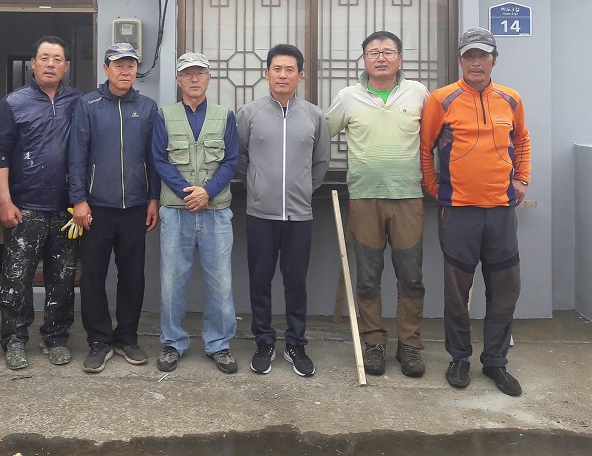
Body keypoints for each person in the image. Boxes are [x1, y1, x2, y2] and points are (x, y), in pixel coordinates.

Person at [420, 27, 531, 397]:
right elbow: (425, 148)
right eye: (469, 56)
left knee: (505, 290)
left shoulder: (511, 99)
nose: (476, 62)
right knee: (457, 291)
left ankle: (496, 362)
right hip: (459, 213)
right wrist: (435, 189)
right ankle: (459, 357)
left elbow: (522, 140)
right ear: (461, 61)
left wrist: (523, 179)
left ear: (494, 60)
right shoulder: (443, 99)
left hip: (500, 212)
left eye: (483, 55)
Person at [325, 31, 430, 378]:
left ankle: (410, 345)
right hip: (364, 197)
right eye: (373, 52)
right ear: (364, 59)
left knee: (410, 276)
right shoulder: (347, 97)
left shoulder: (418, 93)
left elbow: (435, 138)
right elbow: (320, 134)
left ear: (400, 58)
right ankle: (373, 342)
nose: (381, 58)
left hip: (408, 198)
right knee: (368, 277)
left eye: (388, 52)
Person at [236, 44, 330, 378]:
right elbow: (240, 158)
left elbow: (320, 164)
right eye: (277, 69)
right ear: (267, 73)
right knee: (259, 281)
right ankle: (263, 341)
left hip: (300, 216)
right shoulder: (249, 113)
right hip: (260, 214)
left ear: (300, 76)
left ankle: (295, 344)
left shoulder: (314, 116)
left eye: (290, 69)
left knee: (295, 282)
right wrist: (260, 187)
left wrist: (303, 190)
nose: (283, 75)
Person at [0, 36, 82, 370]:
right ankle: (14, 339)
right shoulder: (13, 103)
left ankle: (55, 337)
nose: (51, 64)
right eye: (45, 57)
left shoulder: (78, 102)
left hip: (67, 209)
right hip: (24, 206)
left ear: (66, 66)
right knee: (18, 278)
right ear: (33, 62)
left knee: (63, 277)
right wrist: (4, 201)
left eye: (58, 59)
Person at [68, 42, 160, 373]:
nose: (125, 71)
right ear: (106, 69)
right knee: (93, 276)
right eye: (119, 65)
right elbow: (77, 155)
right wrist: (79, 199)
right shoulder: (88, 105)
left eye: (131, 65)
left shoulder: (148, 108)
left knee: (132, 276)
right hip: (95, 209)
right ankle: (99, 340)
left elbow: (154, 158)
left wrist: (153, 198)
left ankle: (127, 338)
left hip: (135, 207)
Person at [151, 52, 240, 374]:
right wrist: (189, 193)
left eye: (199, 73)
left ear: (208, 78)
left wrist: (208, 192)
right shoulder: (164, 115)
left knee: (221, 283)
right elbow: (159, 159)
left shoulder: (224, 115)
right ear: (178, 80)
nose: (193, 79)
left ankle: (219, 344)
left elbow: (231, 160)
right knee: (172, 282)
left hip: (216, 212)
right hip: (176, 212)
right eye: (187, 73)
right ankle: (172, 343)